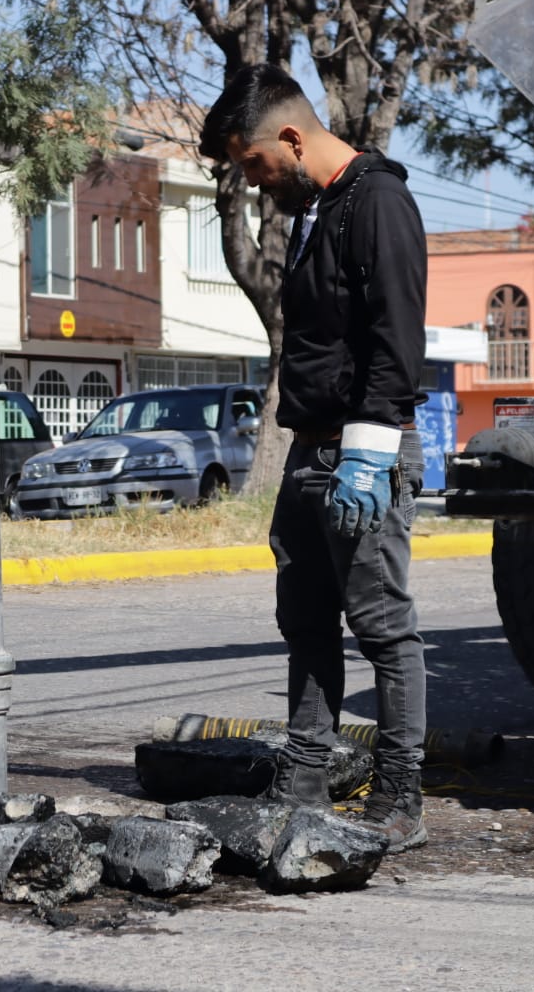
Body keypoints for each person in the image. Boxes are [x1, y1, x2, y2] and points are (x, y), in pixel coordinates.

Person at [200, 65, 429, 851]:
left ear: (292, 138)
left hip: (363, 449)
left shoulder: (378, 202)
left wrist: (371, 456)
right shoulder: (318, 211)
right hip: (309, 450)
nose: (258, 182)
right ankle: (301, 777)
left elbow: (397, 342)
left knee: (382, 627)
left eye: (257, 164)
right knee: (304, 620)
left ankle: (400, 796)